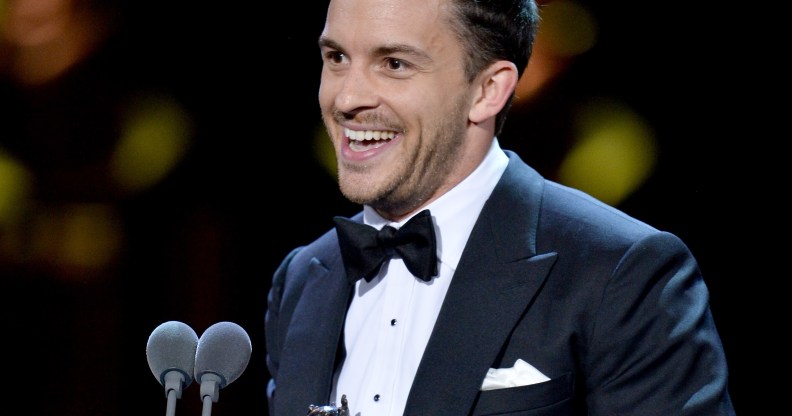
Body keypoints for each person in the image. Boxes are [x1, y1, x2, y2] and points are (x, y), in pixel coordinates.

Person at [264, 0, 736, 415]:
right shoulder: (304, 278)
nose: (347, 98)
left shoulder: (621, 273)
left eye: (394, 64)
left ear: (487, 90)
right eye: (337, 57)